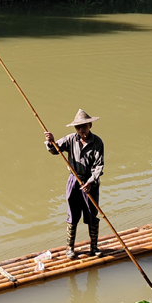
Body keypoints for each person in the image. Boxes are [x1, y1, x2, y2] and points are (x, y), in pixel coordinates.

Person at [44, 109, 104, 259]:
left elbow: (99, 166)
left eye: (84, 126)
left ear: (90, 125)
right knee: (73, 214)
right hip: (74, 180)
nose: (81, 129)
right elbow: (55, 149)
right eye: (78, 127)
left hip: (90, 182)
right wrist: (51, 142)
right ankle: (70, 248)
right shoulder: (71, 139)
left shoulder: (97, 142)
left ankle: (94, 247)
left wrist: (90, 182)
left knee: (92, 214)